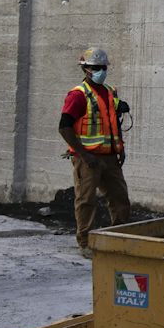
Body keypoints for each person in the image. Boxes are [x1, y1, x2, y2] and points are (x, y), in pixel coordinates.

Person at [59, 46, 131, 258]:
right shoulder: (78, 96)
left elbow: (112, 122)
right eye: (96, 67)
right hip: (88, 159)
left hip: (109, 156)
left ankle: (118, 237)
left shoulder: (108, 92)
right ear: (86, 70)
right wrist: (84, 154)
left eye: (103, 67)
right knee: (86, 200)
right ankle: (85, 242)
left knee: (120, 198)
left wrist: (120, 148)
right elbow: (64, 127)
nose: (101, 70)